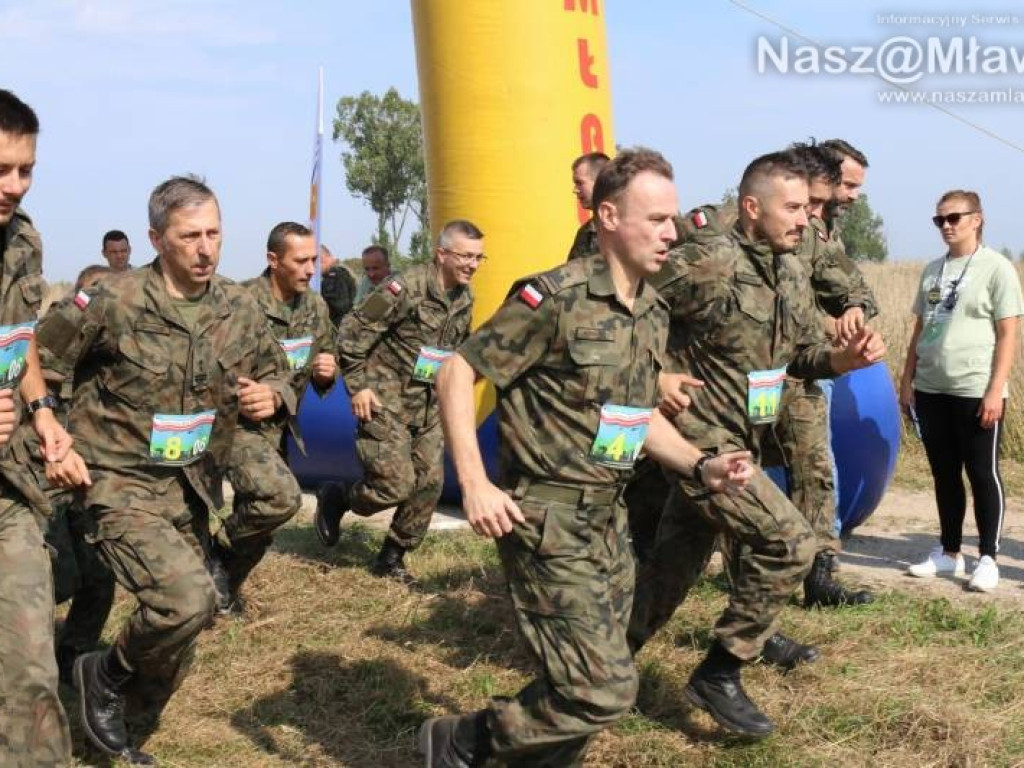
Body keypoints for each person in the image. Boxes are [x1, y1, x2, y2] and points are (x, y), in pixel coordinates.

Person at [419, 147, 754, 767]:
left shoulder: (651, 308)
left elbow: (634, 417)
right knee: (603, 691)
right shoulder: (553, 297)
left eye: (672, 219)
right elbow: (457, 372)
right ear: (607, 216)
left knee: (593, 676)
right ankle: (464, 741)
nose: (671, 232)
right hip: (545, 519)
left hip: (607, 521)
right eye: (654, 219)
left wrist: (699, 465)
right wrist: (474, 482)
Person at [627, 151, 886, 738]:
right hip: (701, 440)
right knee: (791, 541)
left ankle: (599, 667)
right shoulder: (706, 260)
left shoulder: (791, 268)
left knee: (673, 565)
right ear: (752, 208)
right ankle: (720, 672)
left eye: (810, 209)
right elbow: (626, 304)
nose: (806, 220)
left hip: (747, 435)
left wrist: (840, 360)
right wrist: (657, 374)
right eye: (793, 208)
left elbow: (797, 357)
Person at [39, 175, 292, 762]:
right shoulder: (115, 302)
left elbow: (276, 367)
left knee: (181, 636)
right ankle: (101, 673)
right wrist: (51, 431)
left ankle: (120, 722)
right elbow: (40, 360)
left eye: (214, 234)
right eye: (190, 236)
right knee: (186, 601)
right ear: (157, 238)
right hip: (118, 479)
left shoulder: (238, 305)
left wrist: (275, 394)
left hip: (190, 485)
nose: (206, 249)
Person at [315, 220, 480, 583]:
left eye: (478, 258)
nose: (473, 264)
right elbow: (351, 334)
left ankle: (392, 557)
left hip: (429, 403)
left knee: (429, 483)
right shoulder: (402, 288)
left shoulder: (464, 297)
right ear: (442, 254)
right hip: (383, 398)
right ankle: (339, 498)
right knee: (394, 484)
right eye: (466, 256)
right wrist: (357, 386)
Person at [0, 87, 77, 768]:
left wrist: (43, 410)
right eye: (0, 170)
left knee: (30, 668)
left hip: (7, 491)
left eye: (25, 170)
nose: (15, 186)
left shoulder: (22, 241)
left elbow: (19, 338)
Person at [207, 221, 337, 614]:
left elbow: (324, 361)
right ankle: (213, 549)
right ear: (273, 260)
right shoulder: (240, 303)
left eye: (313, 260)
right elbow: (208, 369)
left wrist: (327, 372)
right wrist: (250, 392)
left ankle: (222, 590)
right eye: (301, 261)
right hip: (233, 427)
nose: (311, 269)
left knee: (262, 527)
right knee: (281, 498)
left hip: (277, 431)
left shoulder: (315, 308)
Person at [900, 190, 1023, 591]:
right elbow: (919, 329)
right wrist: (907, 382)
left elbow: (1008, 333)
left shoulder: (997, 268)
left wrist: (995, 389)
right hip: (933, 387)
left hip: (975, 388)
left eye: (954, 218)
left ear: (977, 219)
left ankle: (988, 556)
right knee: (944, 474)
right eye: (940, 220)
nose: (947, 226)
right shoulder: (933, 270)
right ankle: (949, 553)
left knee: (982, 472)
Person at [565, 151, 610, 261]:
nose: (575, 190)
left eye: (580, 183)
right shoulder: (585, 233)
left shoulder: (626, 226)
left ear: (600, 182)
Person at [320, 244, 358, 326]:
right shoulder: (341, 270)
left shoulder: (334, 274)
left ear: (322, 259)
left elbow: (340, 306)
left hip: (340, 328)